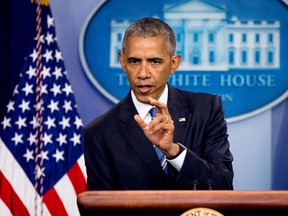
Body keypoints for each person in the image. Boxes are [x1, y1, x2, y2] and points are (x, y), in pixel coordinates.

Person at [84, 17, 234, 190]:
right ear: (123, 62)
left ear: (173, 64)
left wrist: (173, 152)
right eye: (134, 61)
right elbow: (102, 208)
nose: (143, 73)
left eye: (154, 62)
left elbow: (223, 185)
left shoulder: (206, 109)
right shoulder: (99, 133)